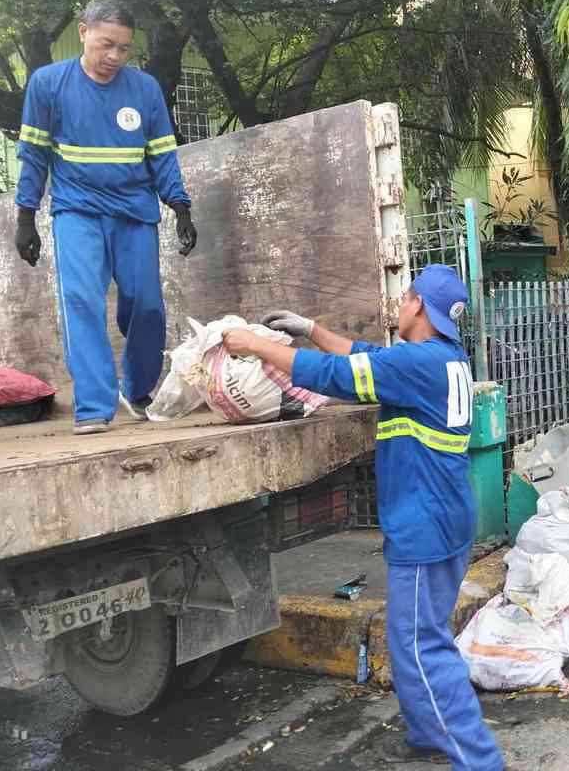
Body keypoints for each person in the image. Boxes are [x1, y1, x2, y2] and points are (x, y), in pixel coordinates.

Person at [221, 265, 504, 770]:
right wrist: (309, 327)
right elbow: (366, 357)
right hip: (441, 514)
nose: (399, 303)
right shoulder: (442, 357)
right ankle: (425, 733)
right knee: (413, 635)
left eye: (405, 295)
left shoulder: (419, 365)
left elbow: (339, 376)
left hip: (426, 523)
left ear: (418, 305)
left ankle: (481, 762)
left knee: (421, 644)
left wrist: (256, 345)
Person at [15, 0, 198, 435]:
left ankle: (135, 388)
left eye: (124, 49)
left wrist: (181, 207)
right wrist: (25, 216)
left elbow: (162, 157)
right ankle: (94, 407)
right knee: (81, 302)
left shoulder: (144, 89)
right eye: (106, 45)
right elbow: (34, 155)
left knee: (147, 305)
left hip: (135, 211)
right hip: (76, 211)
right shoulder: (48, 84)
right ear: (83, 32)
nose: (114, 57)